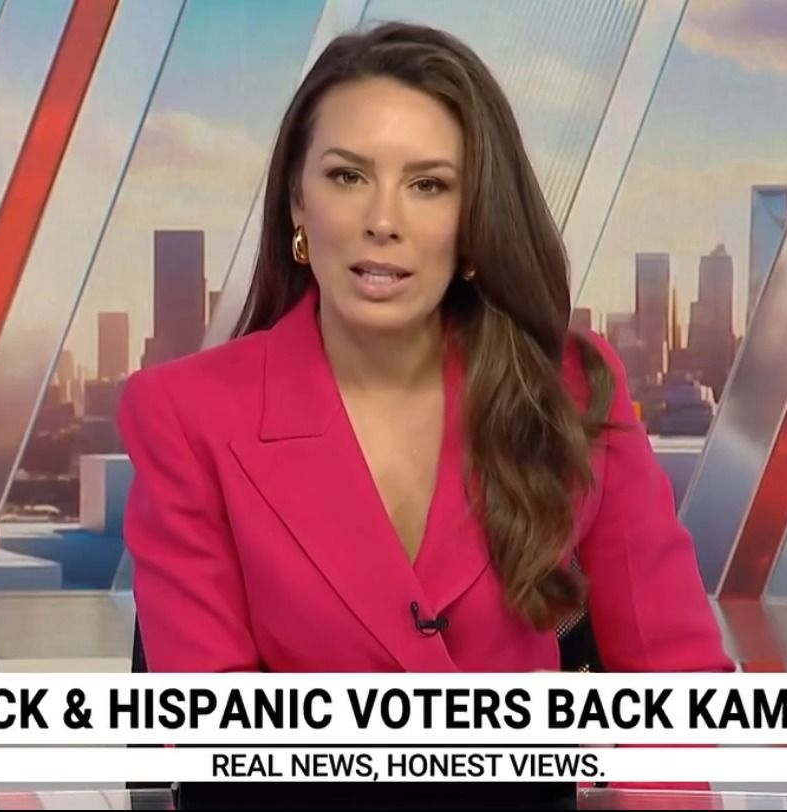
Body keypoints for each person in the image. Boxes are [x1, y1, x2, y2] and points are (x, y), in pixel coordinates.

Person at [117, 21, 733, 809]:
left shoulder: (571, 388)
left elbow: (672, 692)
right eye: (347, 176)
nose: (383, 219)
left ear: (473, 223)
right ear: (298, 203)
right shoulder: (186, 413)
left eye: (428, 185)